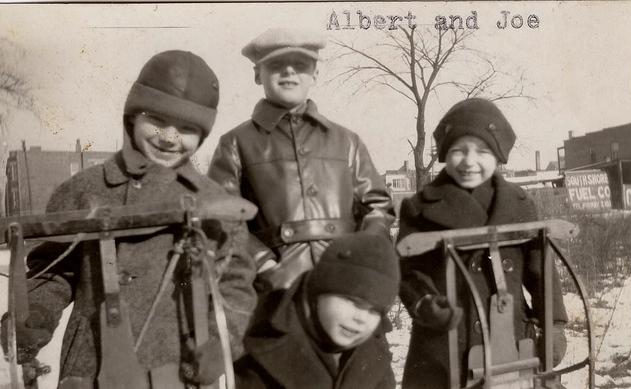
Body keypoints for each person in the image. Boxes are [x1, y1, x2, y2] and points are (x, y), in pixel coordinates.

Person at [0, 50, 257, 388]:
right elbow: (52, 272)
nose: (169, 137)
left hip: (178, 368)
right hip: (89, 368)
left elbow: (235, 287)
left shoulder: (214, 204)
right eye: (158, 121)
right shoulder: (82, 191)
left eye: (186, 128)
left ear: (203, 135)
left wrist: (222, 346)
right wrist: (35, 315)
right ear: (133, 116)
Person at [397, 98, 568, 389]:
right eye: (458, 150)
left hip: (512, 341)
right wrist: (425, 303)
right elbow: (407, 271)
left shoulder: (519, 204)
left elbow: (542, 271)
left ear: (499, 156)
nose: (469, 161)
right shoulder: (419, 208)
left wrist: (553, 324)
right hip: (447, 345)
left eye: (483, 151)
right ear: (445, 153)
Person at [208, 28, 393, 292]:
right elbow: (221, 216)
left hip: (345, 285)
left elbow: (377, 208)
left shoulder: (346, 141)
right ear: (257, 74)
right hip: (274, 291)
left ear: (315, 73)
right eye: (276, 65)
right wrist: (265, 265)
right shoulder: (235, 143)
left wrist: (360, 257)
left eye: (300, 64)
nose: (289, 72)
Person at [234, 231, 398, 389]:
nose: (361, 318)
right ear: (319, 291)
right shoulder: (256, 344)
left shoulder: (374, 355)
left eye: (374, 310)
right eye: (353, 301)